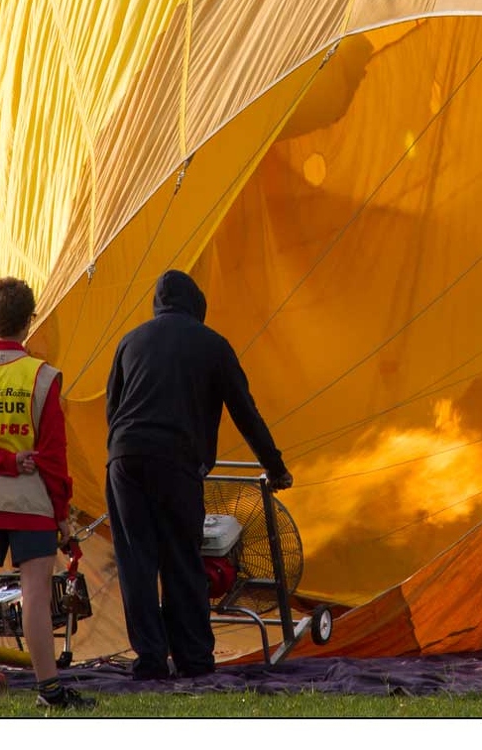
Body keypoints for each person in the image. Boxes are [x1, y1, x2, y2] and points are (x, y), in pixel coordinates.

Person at [104, 269, 290, 680]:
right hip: (176, 460)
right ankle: (193, 660)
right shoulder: (213, 345)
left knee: (137, 562)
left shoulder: (129, 341)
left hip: (125, 459)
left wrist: (123, 454)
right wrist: (275, 467)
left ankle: (150, 661)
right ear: (197, 305)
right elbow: (246, 412)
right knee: (182, 558)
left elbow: (112, 409)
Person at [0, 277, 94, 710]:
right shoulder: (43, 377)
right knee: (36, 594)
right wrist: (62, 512)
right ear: (30, 321)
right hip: (30, 501)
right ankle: (49, 689)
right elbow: (53, 455)